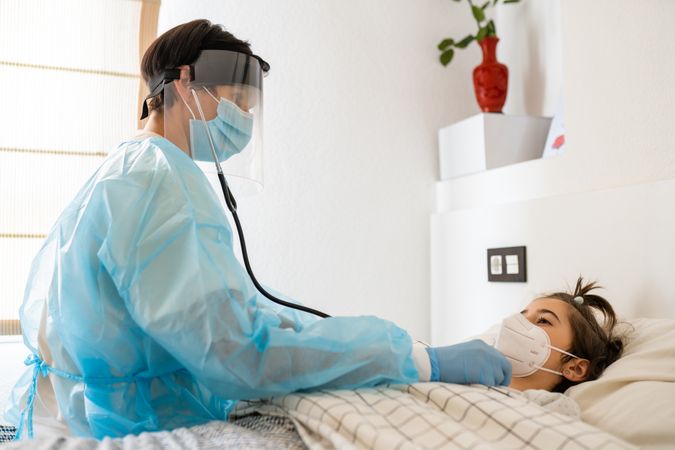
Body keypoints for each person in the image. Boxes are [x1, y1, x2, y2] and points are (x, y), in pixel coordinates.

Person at [4, 19, 510, 440]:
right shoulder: (160, 185)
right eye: (237, 100)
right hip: (118, 425)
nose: (244, 118)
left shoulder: (131, 167)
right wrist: (415, 359)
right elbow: (235, 353)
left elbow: (220, 312)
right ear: (185, 82)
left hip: (64, 414)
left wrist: (297, 327)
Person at [483, 276, 624, 395]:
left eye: (543, 320)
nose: (517, 324)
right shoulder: (475, 378)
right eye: (522, 317)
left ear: (575, 368)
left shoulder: (552, 408)